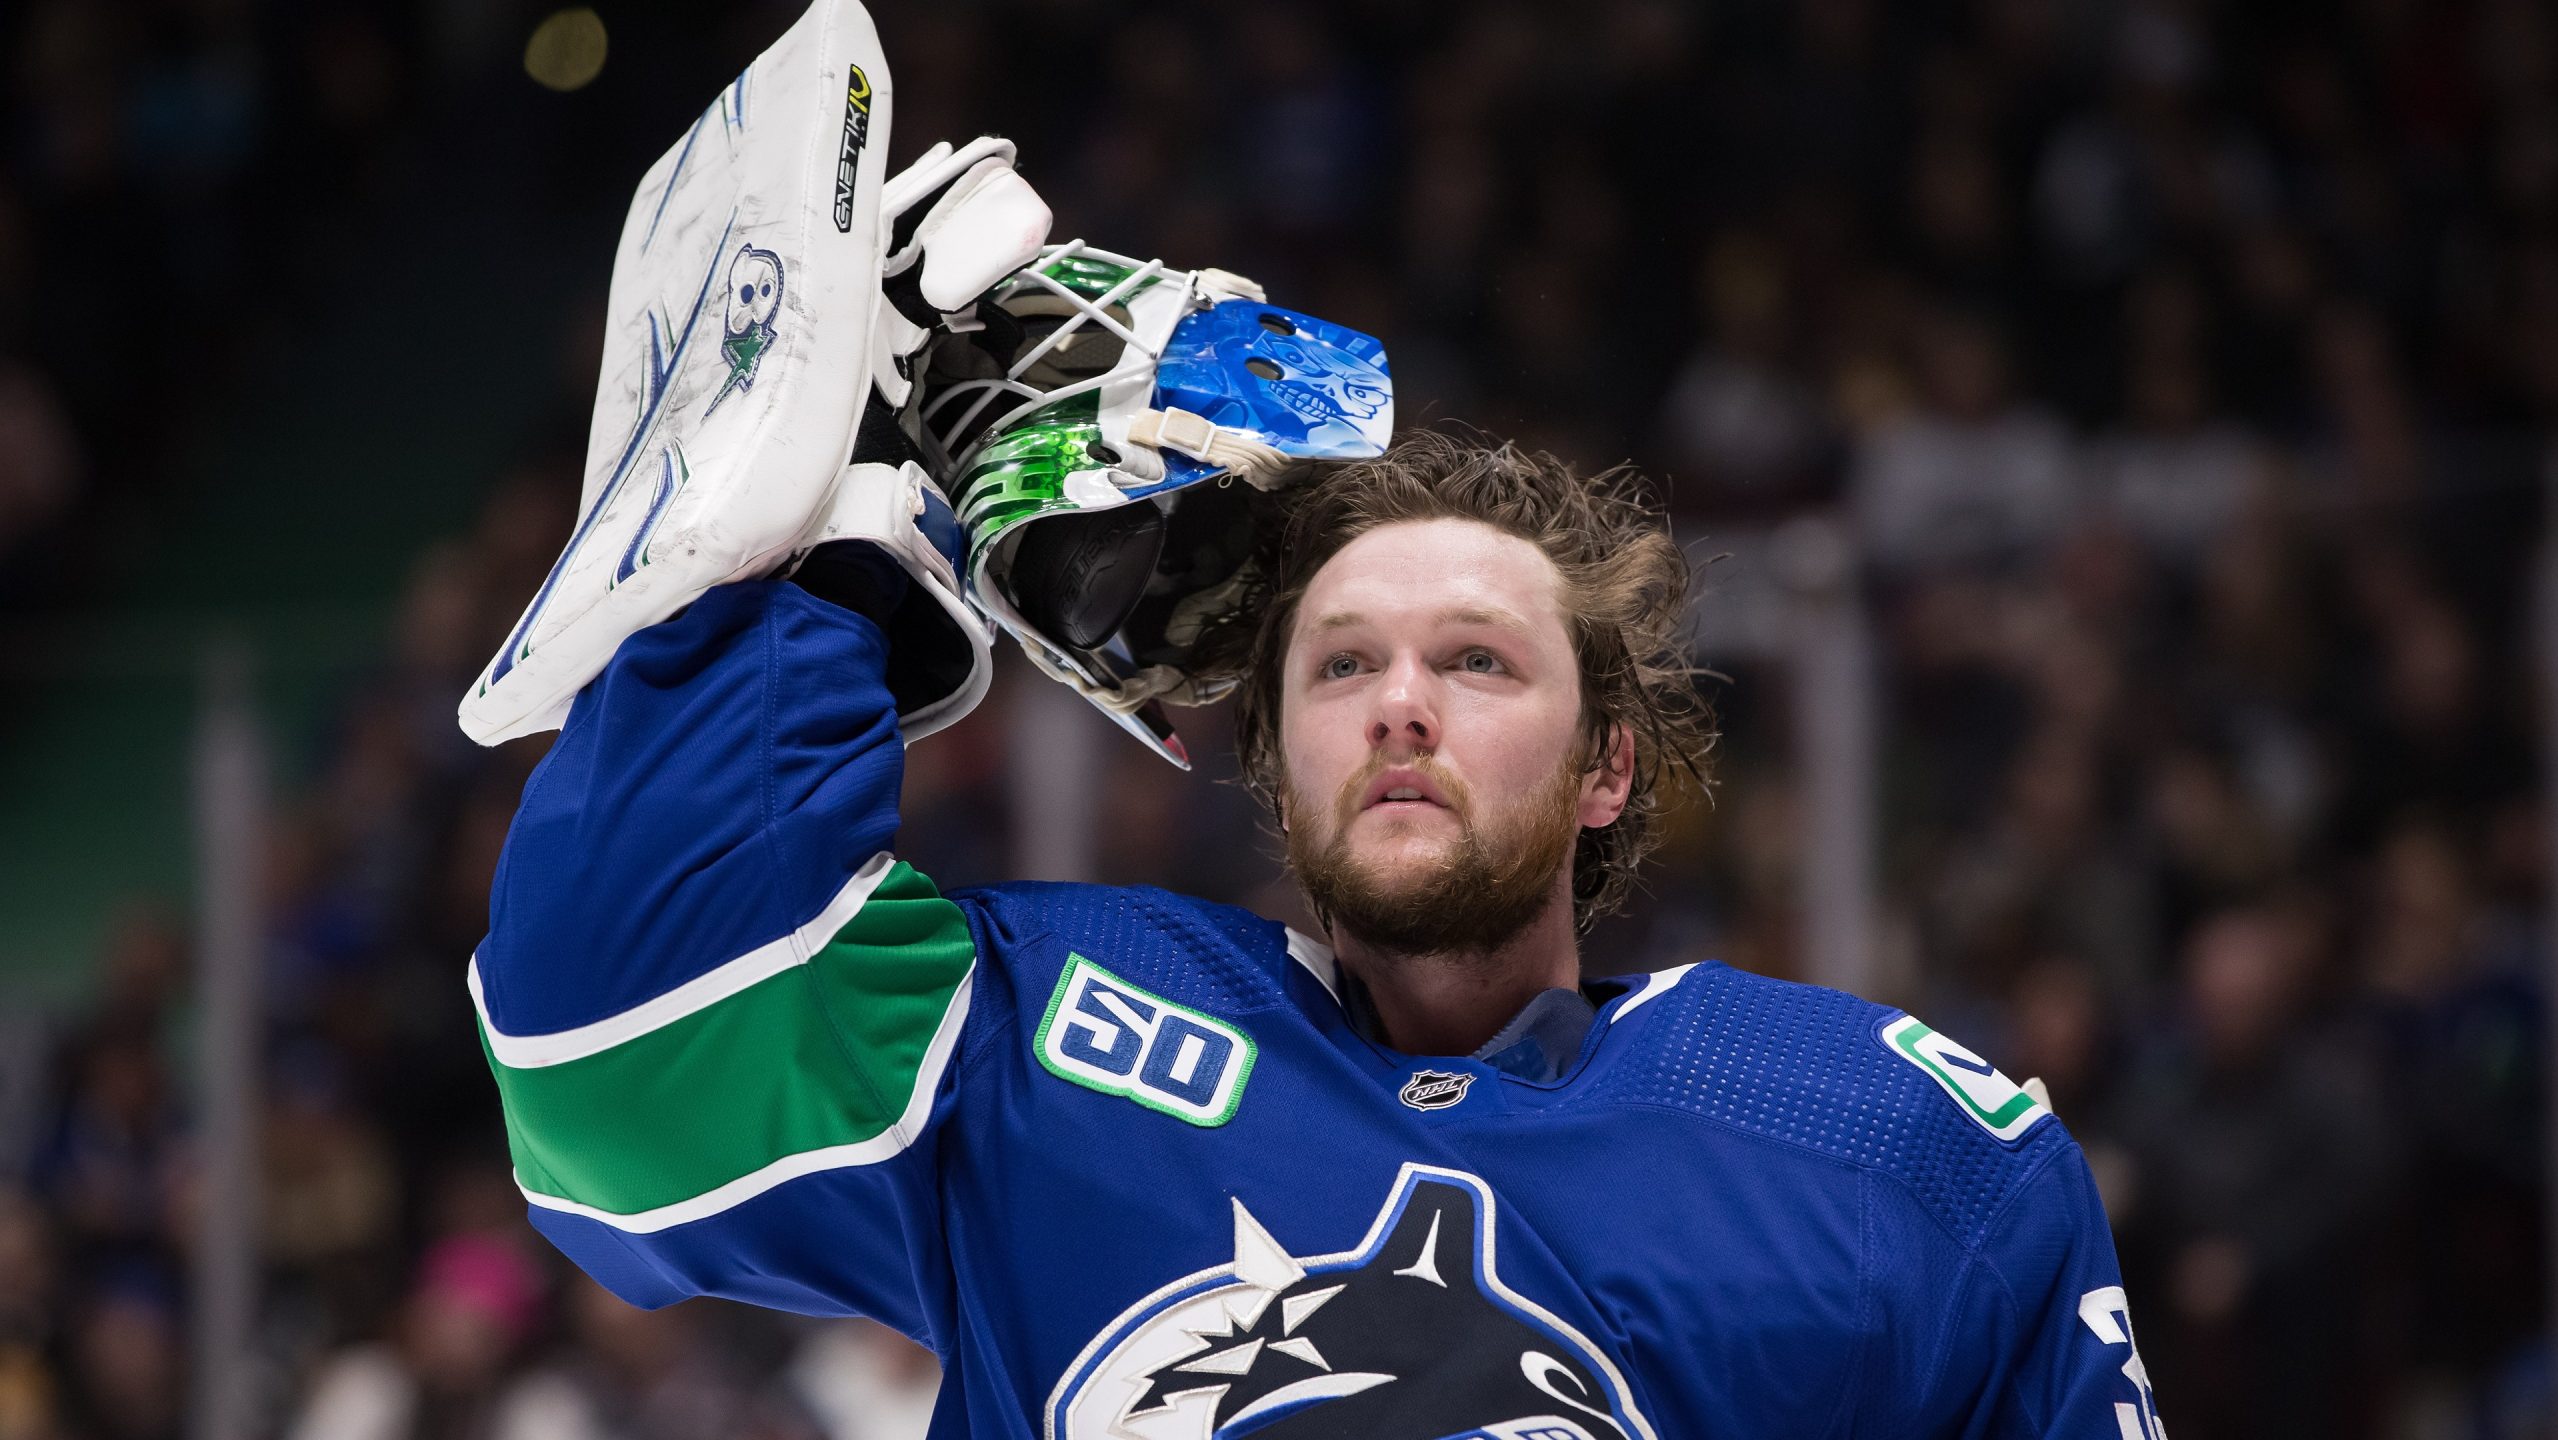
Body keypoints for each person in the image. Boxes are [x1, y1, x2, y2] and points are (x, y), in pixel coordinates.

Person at [461, 2, 2162, 1433]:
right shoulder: (1034, 1037)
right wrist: (827, 565)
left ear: (1605, 769)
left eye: (1481, 664)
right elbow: (610, 1057)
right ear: (1278, 760)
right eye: (1342, 665)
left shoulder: (1896, 1143)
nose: (1403, 704)